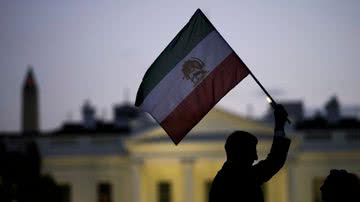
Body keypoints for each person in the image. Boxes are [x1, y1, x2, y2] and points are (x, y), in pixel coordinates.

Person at [209, 104, 291, 202]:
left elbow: (273, 162)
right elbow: (274, 162)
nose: (256, 157)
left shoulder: (224, 178)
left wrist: (279, 127)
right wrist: (279, 127)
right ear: (240, 153)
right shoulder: (240, 178)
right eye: (252, 152)